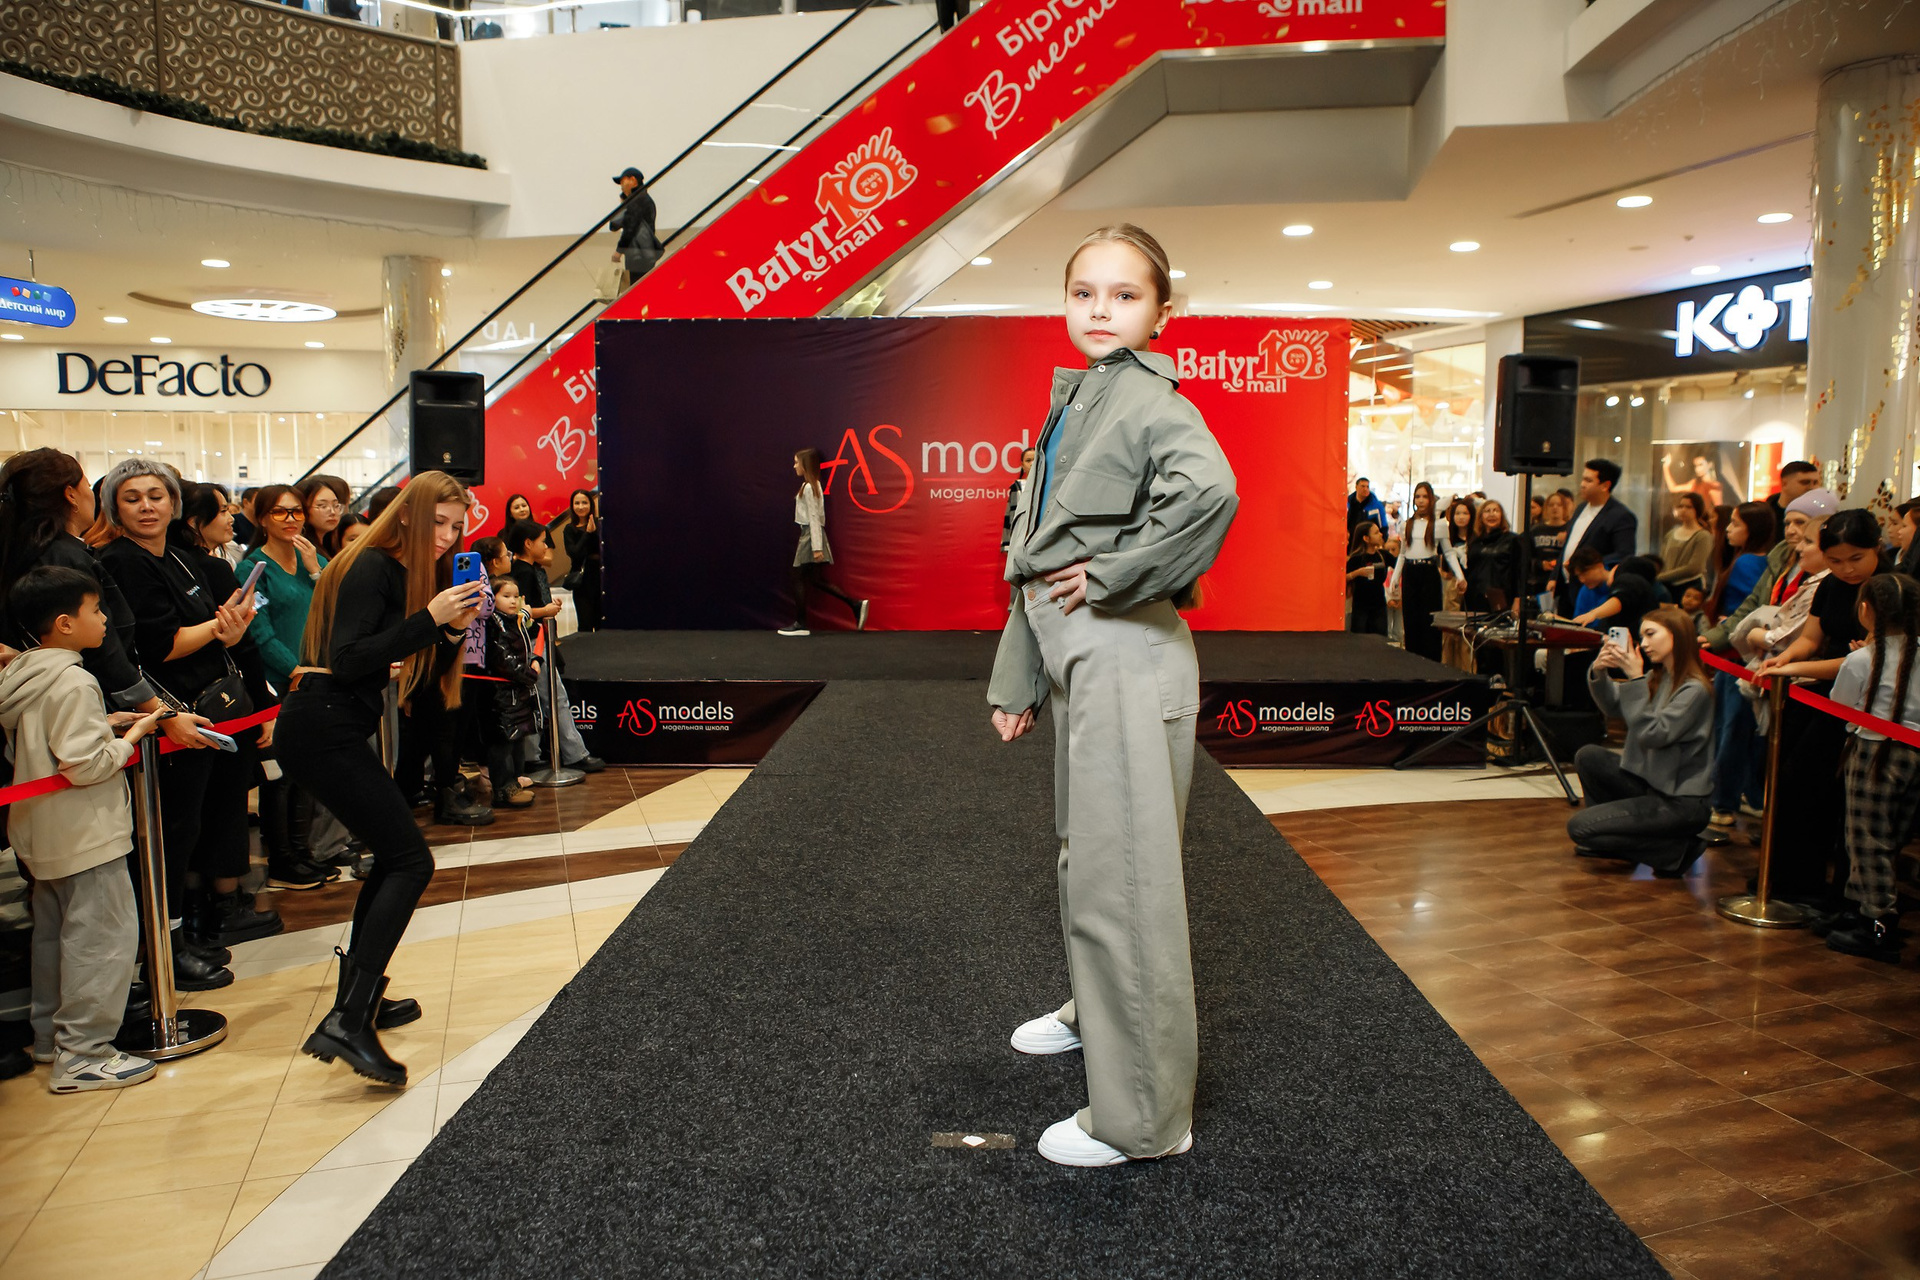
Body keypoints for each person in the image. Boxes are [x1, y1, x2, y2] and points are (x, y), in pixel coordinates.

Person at [990, 223, 1237, 1168]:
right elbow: (1034, 552)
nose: (1101, 310)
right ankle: (1097, 1014)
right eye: (1084, 292)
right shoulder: (1080, 396)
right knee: (1085, 858)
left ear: (1162, 311)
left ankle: (1144, 1122)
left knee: (1123, 880)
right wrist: (1020, 677)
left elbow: (1210, 495)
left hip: (1126, 656)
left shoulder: (1144, 397)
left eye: (1125, 294)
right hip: (1085, 659)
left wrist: (1116, 573)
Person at [280, 472, 488, 1085]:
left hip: (334, 724)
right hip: (322, 725)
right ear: (407, 515)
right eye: (438, 522)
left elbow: (414, 664)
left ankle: (359, 1000)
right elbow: (348, 660)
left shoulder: (397, 571)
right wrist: (429, 617)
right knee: (409, 862)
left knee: (396, 859)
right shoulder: (373, 565)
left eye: (457, 526)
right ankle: (348, 1019)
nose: (447, 536)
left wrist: (451, 627)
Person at [96, 462, 282, 976]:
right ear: (114, 508)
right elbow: (161, 645)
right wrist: (219, 630)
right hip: (166, 716)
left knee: (192, 827)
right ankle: (164, 948)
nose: (147, 506)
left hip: (206, 708)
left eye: (156, 496)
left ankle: (181, 935)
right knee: (169, 834)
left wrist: (228, 629)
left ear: (174, 503)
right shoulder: (122, 562)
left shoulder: (179, 557)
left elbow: (213, 632)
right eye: (132, 498)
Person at [0, 566, 167, 1093]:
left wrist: (105, 725)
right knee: (102, 939)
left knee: (54, 937)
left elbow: (44, 742)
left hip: (41, 830)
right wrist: (132, 735)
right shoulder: (74, 679)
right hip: (85, 831)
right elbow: (85, 765)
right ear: (65, 623)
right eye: (96, 610)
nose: (105, 619)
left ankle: (52, 1039)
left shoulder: (23, 673)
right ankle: (84, 1054)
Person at [1753, 509, 1890, 906]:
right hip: (1822, 688)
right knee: (1785, 775)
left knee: (1819, 785)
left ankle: (1826, 888)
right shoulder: (1830, 584)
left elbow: (1866, 660)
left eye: (1856, 558)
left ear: (1877, 547)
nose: (1846, 569)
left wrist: (1793, 667)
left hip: (1865, 700)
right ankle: (1788, 877)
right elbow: (1812, 638)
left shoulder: (1890, 588)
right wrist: (1786, 657)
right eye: (1835, 560)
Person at [1569, 605, 1715, 875]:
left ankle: (1675, 852)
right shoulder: (1659, 676)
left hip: (1682, 803)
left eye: (1651, 634)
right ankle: (1611, 838)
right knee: (1589, 756)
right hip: (1652, 785)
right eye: (1642, 636)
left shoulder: (1695, 690)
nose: (1644, 644)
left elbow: (1653, 735)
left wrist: (1635, 678)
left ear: (1676, 636)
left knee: (1580, 828)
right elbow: (1614, 706)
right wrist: (1600, 672)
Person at [242, 484, 341, 881]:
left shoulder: (312, 557)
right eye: (280, 512)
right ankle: (282, 859)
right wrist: (295, 670)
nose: (290, 519)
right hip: (279, 683)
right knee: (279, 776)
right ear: (262, 519)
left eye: (297, 511)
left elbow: (337, 605)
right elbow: (259, 634)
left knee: (306, 771)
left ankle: (302, 851)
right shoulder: (252, 567)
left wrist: (316, 569)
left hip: (316, 678)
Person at [1827, 573, 1920, 961]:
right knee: (1890, 836)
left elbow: (1841, 705)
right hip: (1914, 753)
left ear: (1866, 610)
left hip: (1874, 751)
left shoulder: (1861, 659)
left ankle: (1879, 923)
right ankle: (1860, 908)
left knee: (1865, 840)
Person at [505, 520, 606, 774]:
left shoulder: (527, 570)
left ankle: (532, 755)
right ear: (528, 544)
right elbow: (520, 611)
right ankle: (574, 753)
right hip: (533, 644)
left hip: (532, 642)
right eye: (542, 541)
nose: (546, 546)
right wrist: (546, 610)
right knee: (555, 697)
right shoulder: (524, 573)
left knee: (536, 699)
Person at [781, 448, 870, 636]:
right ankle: (855, 604)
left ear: (805, 465)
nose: (794, 466)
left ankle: (801, 624)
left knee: (797, 576)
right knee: (815, 580)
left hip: (810, 536)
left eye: (797, 462)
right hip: (811, 535)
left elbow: (814, 518)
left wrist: (816, 547)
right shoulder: (811, 486)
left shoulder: (809, 487)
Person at [481, 575, 539, 809]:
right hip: (501, 693)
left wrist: (533, 664)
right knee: (502, 743)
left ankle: (513, 783)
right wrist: (529, 674)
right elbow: (503, 660)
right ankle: (503, 790)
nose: (513, 601)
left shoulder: (513, 621)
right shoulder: (494, 624)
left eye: (516, 596)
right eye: (506, 596)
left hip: (515, 691)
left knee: (515, 740)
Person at [1556, 459, 1637, 615]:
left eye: (1588, 480)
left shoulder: (1620, 516)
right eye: (1582, 479)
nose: (1582, 485)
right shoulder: (1581, 508)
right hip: (1567, 585)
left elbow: (1624, 553)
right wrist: (1555, 577)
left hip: (1594, 590)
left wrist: (1586, 565)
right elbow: (1570, 545)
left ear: (1605, 485)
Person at [1390, 481, 1444, 661]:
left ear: (1431, 499)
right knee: (1411, 621)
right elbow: (1402, 554)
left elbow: (1449, 552)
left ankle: (1431, 662)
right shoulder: (1406, 525)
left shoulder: (1438, 525)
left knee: (1429, 621)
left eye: (1425, 497)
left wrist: (1460, 576)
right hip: (1410, 572)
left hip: (1429, 572)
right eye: (1417, 497)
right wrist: (1395, 577)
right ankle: (1412, 661)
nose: (1421, 501)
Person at [1708, 502, 1775, 622]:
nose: (1728, 529)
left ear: (1753, 529)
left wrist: (1728, 622)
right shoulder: (1762, 559)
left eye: (1735, 524)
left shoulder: (1746, 563)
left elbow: (1750, 607)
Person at [1570, 551, 1660, 639]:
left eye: (1584, 573)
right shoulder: (1586, 591)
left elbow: (1620, 600)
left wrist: (1593, 614)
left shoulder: (1627, 579)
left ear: (1600, 566)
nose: (1582, 580)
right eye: (1578, 576)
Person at [1464, 499, 1523, 612]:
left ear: (1502, 516)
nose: (1491, 514)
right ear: (1481, 517)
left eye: (1495, 511)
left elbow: (1519, 571)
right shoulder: (1475, 542)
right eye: (1487, 511)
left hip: (1502, 596)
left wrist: (1518, 598)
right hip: (1476, 597)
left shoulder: (1513, 540)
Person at [609, 166, 662, 289]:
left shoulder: (638, 200)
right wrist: (625, 202)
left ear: (633, 180)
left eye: (623, 181)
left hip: (638, 254)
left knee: (637, 288)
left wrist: (619, 251)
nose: (621, 186)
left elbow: (630, 227)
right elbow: (614, 225)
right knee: (641, 287)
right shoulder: (641, 199)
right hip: (643, 253)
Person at [560, 489, 601, 633]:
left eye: (584, 502)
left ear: (591, 504)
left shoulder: (599, 523)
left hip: (600, 578)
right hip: (582, 581)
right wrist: (587, 533)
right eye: (577, 503)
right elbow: (575, 553)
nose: (581, 506)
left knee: (601, 622)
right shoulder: (569, 529)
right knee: (585, 622)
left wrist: (594, 532)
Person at [1523, 491, 1569, 614]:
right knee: (1542, 616)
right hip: (1539, 582)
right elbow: (1527, 556)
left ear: (1564, 508)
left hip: (1562, 582)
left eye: (1559, 505)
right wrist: (1540, 564)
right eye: (1551, 505)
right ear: (1546, 508)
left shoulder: (1569, 529)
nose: (1555, 508)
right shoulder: (1536, 530)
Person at [1659, 493, 1712, 597]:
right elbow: (1662, 559)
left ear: (1697, 509)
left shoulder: (1703, 535)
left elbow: (1694, 567)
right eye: (1681, 506)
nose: (1683, 510)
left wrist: (1661, 577)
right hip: (1667, 585)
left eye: (1688, 507)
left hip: (1689, 586)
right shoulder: (1671, 533)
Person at [1345, 521, 1389, 636]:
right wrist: (1357, 573)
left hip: (1379, 605)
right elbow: (1343, 578)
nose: (1380, 534)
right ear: (1366, 538)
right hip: (1361, 606)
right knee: (1360, 640)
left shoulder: (1382, 555)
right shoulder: (1356, 558)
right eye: (1376, 533)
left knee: (1380, 639)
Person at [301, 475, 352, 558]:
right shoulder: (304, 549)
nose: (332, 512)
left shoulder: (330, 545)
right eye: (323, 506)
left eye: (336, 505)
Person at [1765, 459, 1821, 528]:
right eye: (1805, 482)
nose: (1812, 487)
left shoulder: (1820, 515)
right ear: (1784, 484)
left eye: (1815, 483)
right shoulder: (1765, 516)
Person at [1003, 449, 1037, 553]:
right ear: (1022, 465)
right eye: (1028, 460)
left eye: (1035, 459)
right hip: (1022, 540)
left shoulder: (1050, 484)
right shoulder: (1017, 487)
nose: (1032, 463)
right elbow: (1011, 516)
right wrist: (1008, 544)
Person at [1345, 477, 1386, 545]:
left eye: (1367, 486)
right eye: (1363, 486)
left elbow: (1383, 526)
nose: (1365, 489)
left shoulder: (1376, 506)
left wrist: (1382, 541)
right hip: (1351, 543)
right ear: (1356, 487)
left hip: (1369, 543)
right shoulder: (1348, 504)